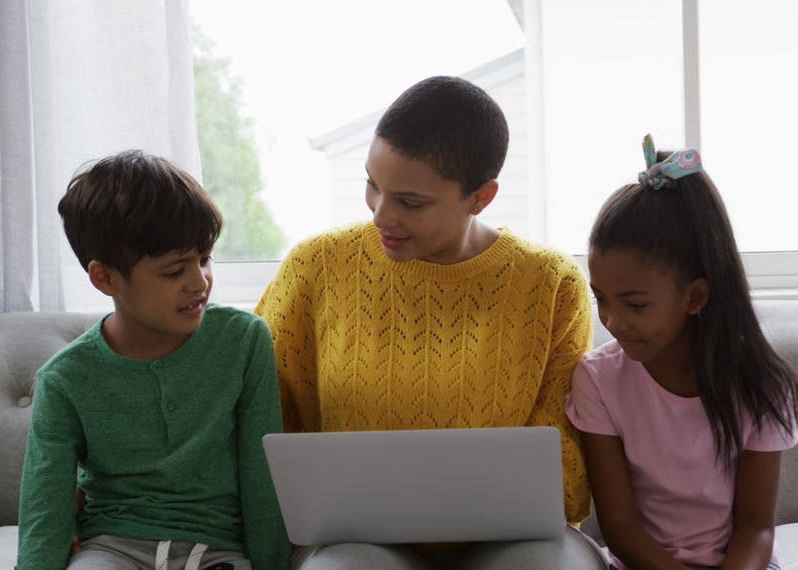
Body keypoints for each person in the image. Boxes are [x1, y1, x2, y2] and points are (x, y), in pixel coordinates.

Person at [256, 76, 605, 569]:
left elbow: (567, 466)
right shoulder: (316, 266)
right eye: (373, 186)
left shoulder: (551, 284)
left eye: (410, 203)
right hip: (356, 540)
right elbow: (265, 413)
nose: (381, 215)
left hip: (515, 541)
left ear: (481, 197)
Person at [17, 150, 290, 569]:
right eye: (173, 271)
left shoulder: (243, 340)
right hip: (110, 546)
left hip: (217, 548)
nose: (199, 282)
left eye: (204, 259)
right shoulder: (64, 379)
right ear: (105, 278)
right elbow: (44, 502)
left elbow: (262, 475)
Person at [566, 135, 798, 570]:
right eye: (601, 298)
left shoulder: (760, 385)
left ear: (694, 297)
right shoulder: (597, 380)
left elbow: (755, 528)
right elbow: (620, 528)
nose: (613, 322)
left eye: (635, 304)